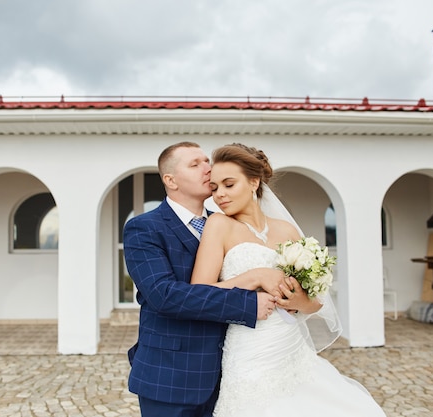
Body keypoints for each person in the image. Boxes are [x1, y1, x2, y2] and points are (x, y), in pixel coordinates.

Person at [191, 143, 387, 416]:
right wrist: (252, 277)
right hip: (248, 347)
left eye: (228, 184)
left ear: (253, 182)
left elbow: (316, 302)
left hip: (290, 345)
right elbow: (199, 293)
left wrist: (298, 301)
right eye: (214, 188)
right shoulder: (219, 225)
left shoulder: (287, 230)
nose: (219, 195)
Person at [123, 141, 301, 417]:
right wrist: (249, 300)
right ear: (170, 180)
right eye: (195, 164)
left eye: (206, 161)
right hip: (171, 374)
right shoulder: (144, 228)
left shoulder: (227, 223)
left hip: (232, 370)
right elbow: (164, 295)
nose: (207, 169)